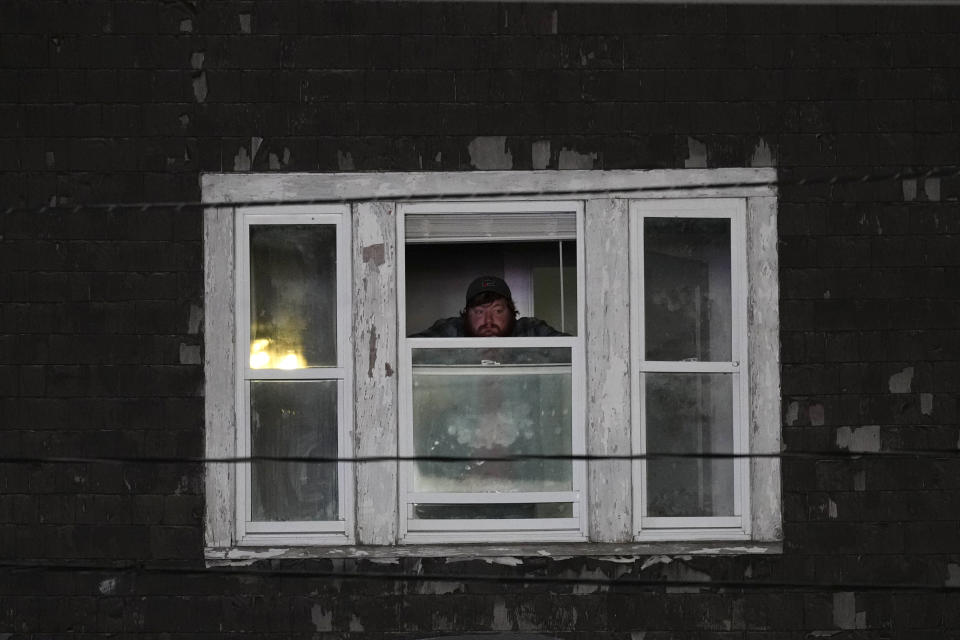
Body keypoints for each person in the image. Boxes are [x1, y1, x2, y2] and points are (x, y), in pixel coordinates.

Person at [411, 275, 565, 337]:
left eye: (498, 311)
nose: (488, 321)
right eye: (479, 312)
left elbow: (574, 351)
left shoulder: (529, 329)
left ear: (512, 312)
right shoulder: (453, 329)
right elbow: (407, 351)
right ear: (466, 315)